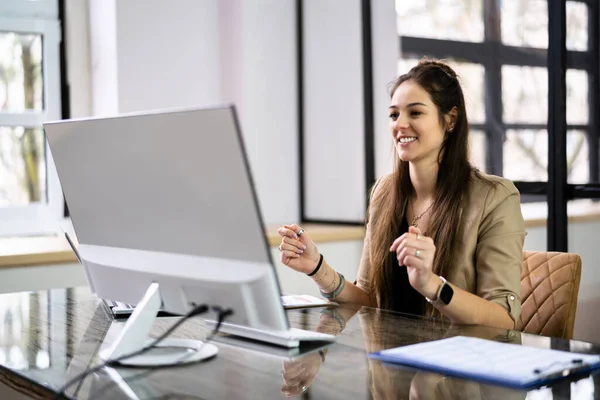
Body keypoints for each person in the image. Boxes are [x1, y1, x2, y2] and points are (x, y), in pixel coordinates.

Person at [277, 59, 525, 330]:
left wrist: (431, 284)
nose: (401, 124)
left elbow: (503, 318)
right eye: (394, 115)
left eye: (415, 113)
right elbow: (369, 299)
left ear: (450, 119)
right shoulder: (384, 192)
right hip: (391, 365)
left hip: (458, 366)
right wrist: (317, 267)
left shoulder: (495, 197)